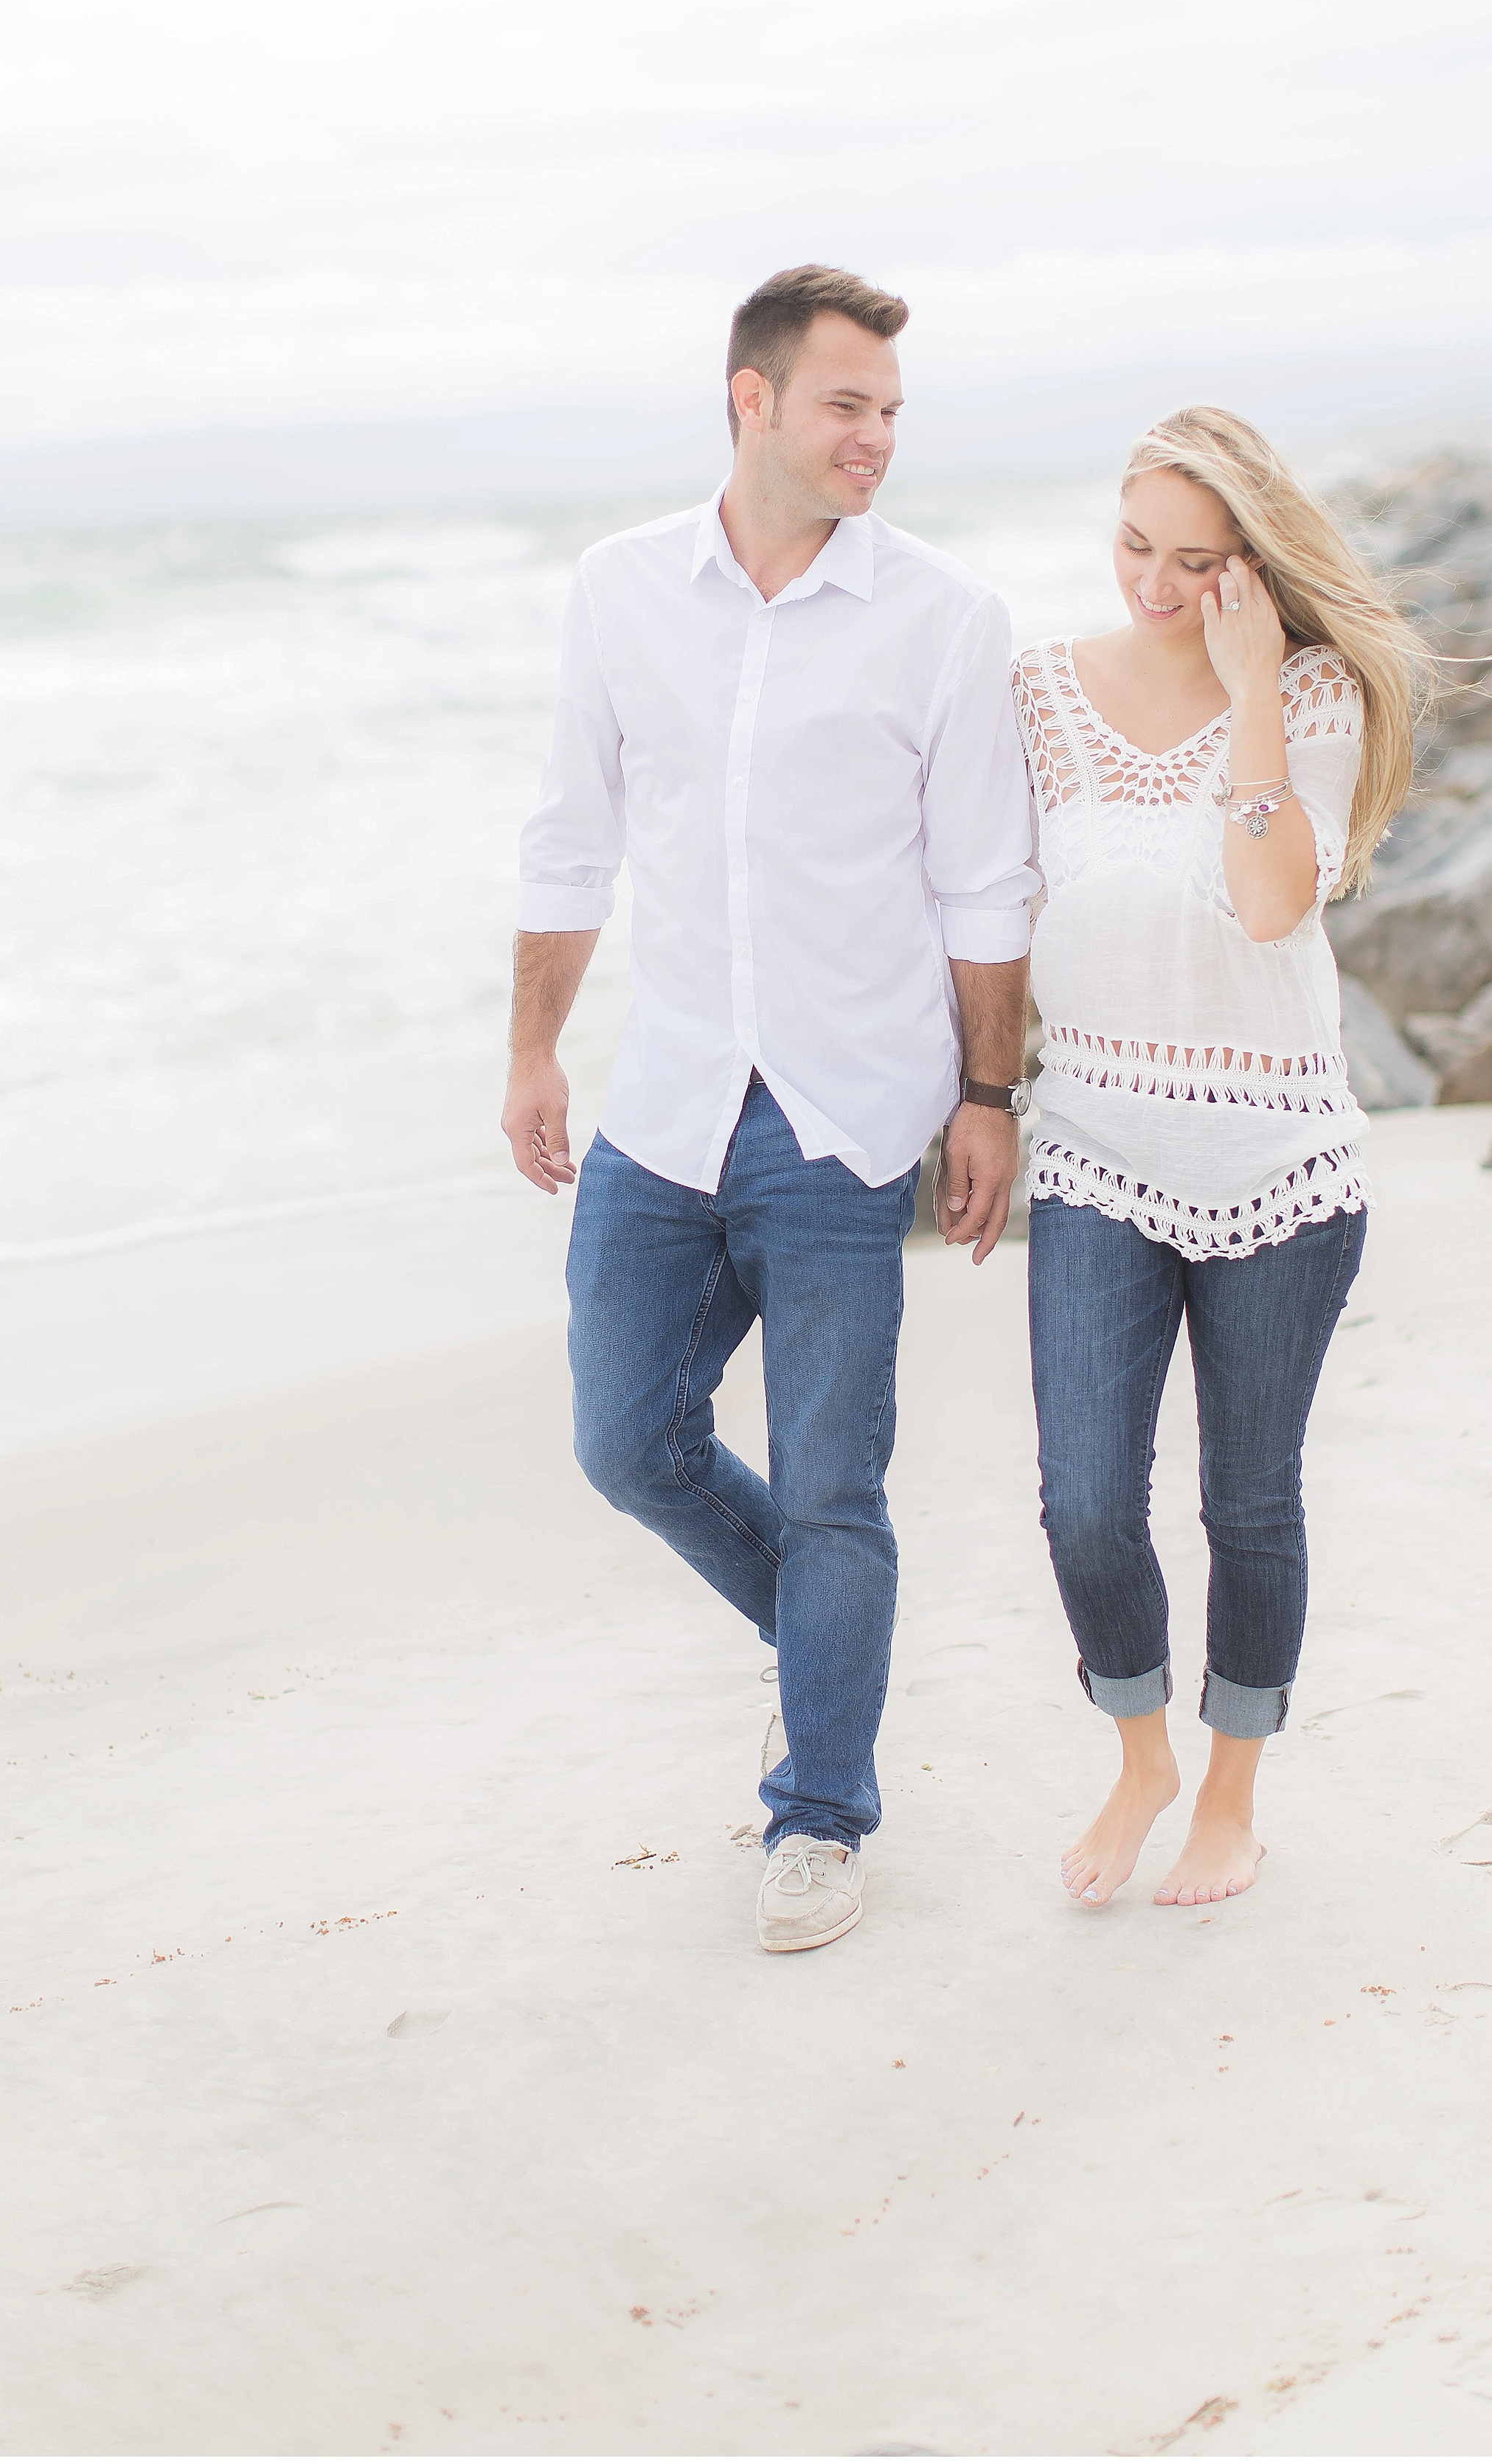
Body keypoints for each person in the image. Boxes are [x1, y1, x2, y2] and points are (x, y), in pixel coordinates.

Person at [503, 265, 1037, 1955]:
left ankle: (818, 1808)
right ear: (751, 402)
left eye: (889, 409)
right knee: (623, 1442)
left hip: (845, 1116)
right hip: (665, 1103)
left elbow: (985, 883)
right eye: (844, 404)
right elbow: (568, 840)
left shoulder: (940, 617)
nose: (875, 435)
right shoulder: (619, 591)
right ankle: (819, 1652)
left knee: (833, 1488)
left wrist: (985, 1096)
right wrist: (532, 1051)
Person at [1013, 406, 1429, 1910]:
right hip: (1094, 1144)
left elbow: (1267, 903)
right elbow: (987, 906)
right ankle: (1138, 1756)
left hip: (1277, 1165)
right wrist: (977, 1095)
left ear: (1248, 567)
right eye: (1133, 544)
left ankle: (1230, 1792)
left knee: (1245, 1501)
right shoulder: (1043, 691)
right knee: (1080, 1498)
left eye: (1193, 561)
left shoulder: (1305, 694)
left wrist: (1250, 684)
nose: (1152, 581)